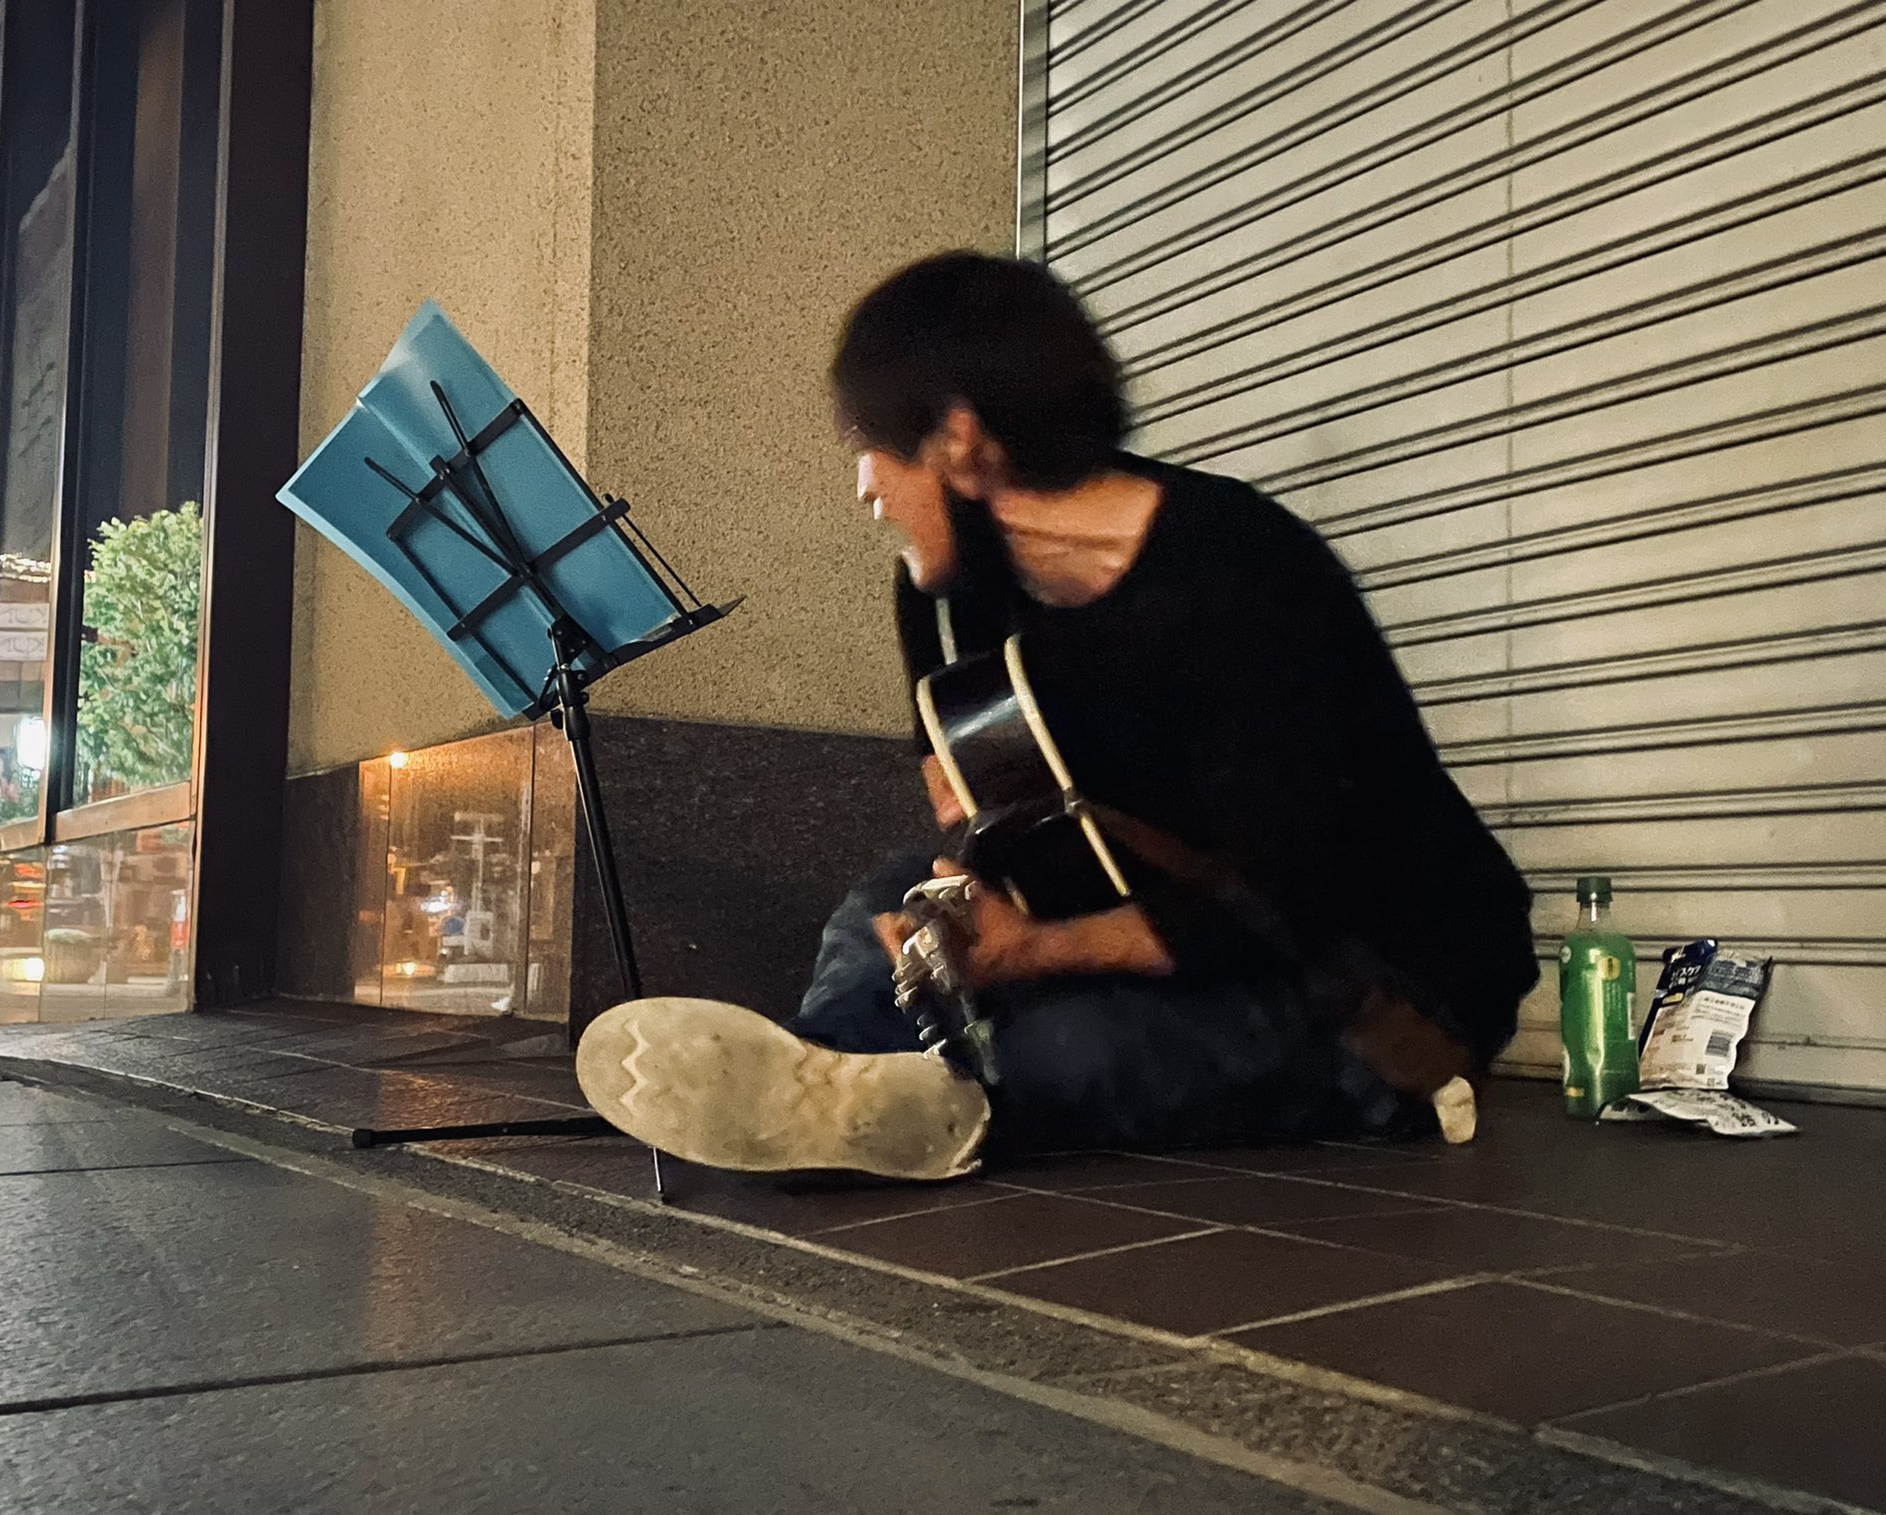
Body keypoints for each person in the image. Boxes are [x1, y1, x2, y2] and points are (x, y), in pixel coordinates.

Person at [575, 252, 1538, 1180]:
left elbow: (1290, 891)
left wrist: (1038, 950)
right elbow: (978, 811)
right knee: (887, 898)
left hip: (1371, 981)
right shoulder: (947, 596)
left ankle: (880, 1095)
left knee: (1068, 1045)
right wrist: (960, 911)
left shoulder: (1243, 576)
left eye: (872, 445)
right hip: (1135, 915)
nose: (865, 486)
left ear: (960, 439)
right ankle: (830, 1076)